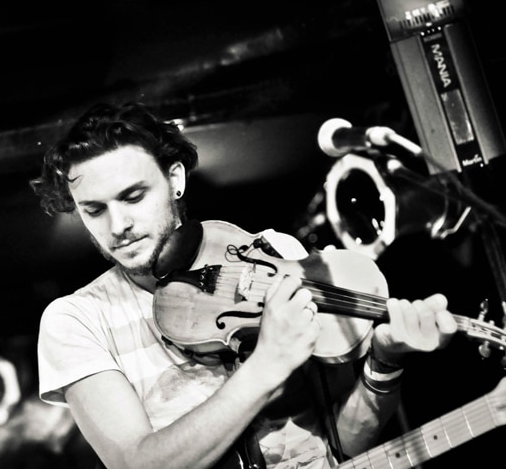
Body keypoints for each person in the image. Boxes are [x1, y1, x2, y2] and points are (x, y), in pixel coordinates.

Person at [30, 101, 458, 469]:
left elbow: (342, 444)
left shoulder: (274, 252)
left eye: (133, 196)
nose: (117, 225)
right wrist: (266, 364)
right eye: (94, 210)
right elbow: (136, 463)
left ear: (175, 179)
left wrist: (384, 364)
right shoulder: (76, 319)